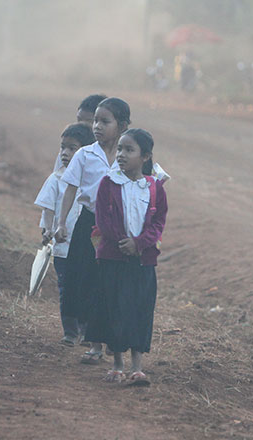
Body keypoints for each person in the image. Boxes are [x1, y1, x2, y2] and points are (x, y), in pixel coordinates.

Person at [87, 128, 167, 386]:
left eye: (128, 150)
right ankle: (117, 363)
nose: (121, 154)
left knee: (140, 310)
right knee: (115, 309)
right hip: (114, 258)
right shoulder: (108, 184)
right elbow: (102, 219)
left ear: (145, 156)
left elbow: (158, 222)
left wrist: (140, 243)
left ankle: (137, 365)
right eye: (119, 149)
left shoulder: (154, 188)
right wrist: (123, 243)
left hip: (143, 260)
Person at [55, 97, 131, 365]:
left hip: (119, 228)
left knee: (113, 285)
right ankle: (95, 345)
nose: (96, 126)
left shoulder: (129, 154)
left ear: (121, 126)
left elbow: (147, 186)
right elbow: (70, 189)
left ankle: (111, 340)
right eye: (95, 121)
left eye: (104, 121)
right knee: (89, 284)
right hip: (89, 225)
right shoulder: (85, 155)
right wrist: (62, 223)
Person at [34, 123, 95, 346]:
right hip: (62, 246)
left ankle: (87, 329)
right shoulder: (56, 179)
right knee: (66, 286)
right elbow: (48, 208)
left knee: (87, 286)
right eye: (64, 148)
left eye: (72, 149)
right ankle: (70, 331)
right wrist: (47, 229)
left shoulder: (92, 181)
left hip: (86, 246)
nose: (66, 154)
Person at [52, 94, 108, 173]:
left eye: (88, 122)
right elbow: (58, 178)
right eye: (79, 120)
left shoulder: (117, 153)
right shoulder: (68, 152)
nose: (81, 125)